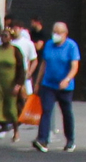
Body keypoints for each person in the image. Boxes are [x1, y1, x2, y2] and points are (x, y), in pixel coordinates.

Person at [33, 19, 81, 151]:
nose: (56, 35)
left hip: (65, 87)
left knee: (66, 112)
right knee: (46, 110)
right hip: (48, 84)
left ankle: (70, 140)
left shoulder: (71, 46)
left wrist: (67, 79)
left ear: (65, 33)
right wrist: (37, 82)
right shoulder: (49, 45)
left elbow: (74, 66)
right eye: (54, 32)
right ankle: (42, 139)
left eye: (59, 32)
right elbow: (44, 64)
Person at [0, 23, 24, 141]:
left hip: (10, 83)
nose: (4, 38)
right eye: (2, 36)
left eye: (6, 36)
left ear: (11, 38)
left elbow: (21, 69)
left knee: (11, 107)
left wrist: (18, 84)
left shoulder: (15, 51)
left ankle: (16, 131)